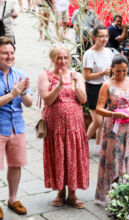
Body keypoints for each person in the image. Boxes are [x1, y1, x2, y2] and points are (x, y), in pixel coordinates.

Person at [38, 45, 89, 209]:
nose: (63, 61)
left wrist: (77, 83)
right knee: (59, 155)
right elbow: (47, 100)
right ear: (52, 59)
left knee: (73, 156)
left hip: (74, 125)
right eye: (59, 58)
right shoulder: (45, 75)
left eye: (65, 58)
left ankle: (73, 194)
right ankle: (60, 192)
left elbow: (83, 99)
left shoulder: (76, 75)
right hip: (56, 127)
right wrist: (59, 85)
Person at [95, 54, 129, 204]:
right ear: (112, 69)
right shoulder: (107, 85)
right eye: (118, 71)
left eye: (124, 71)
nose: (122, 74)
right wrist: (114, 113)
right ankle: (114, 195)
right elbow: (98, 109)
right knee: (115, 159)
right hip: (113, 130)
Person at [0, 37, 31, 220]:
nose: (9, 56)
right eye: (5, 53)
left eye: (11, 53)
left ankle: (13, 199)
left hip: (16, 127)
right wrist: (12, 94)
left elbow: (28, 104)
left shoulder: (19, 73)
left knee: (16, 164)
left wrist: (24, 93)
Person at [83, 24, 114, 155]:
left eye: (106, 36)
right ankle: (82, 143)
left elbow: (112, 70)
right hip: (93, 88)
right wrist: (101, 73)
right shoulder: (89, 54)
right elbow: (87, 76)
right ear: (94, 37)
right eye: (101, 36)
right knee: (97, 120)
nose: (104, 39)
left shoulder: (109, 52)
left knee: (104, 120)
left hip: (106, 87)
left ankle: (98, 146)